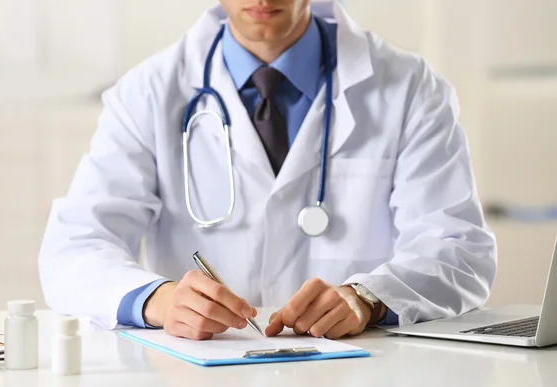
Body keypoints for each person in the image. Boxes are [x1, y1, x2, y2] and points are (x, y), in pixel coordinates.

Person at [38, 0, 497, 341]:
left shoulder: (410, 88)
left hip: (361, 367)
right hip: (202, 369)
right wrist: (156, 299)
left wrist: (371, 298)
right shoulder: (147, 92)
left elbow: (457, 248)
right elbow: (75, 246)